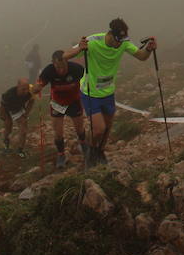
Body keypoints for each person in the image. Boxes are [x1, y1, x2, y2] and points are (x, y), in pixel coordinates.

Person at [63, 18, 156, 167]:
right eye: (118, 40)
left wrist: (149, 49)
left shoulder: (123, 43)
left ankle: (100, 151)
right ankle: (90, 153)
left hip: (108, 92)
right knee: (98, 129)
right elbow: (64, 56)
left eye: (122, 40)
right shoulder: (92, 41)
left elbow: (141, 56)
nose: (120, 44)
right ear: (111, 35)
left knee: (107, 128)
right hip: (90, 92)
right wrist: (79, 48)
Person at [33, 50, 87, 169]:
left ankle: (83, 144)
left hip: (74, 101)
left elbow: (88, 79)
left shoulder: (76, 68)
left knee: (79, 128)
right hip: (57, 103)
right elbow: (40, 83)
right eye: (58, 66)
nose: (61, 69)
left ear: (67, 61)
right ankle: (61, 154)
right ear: (53, 63)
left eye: (63, 65)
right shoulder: (49, 70)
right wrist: (37, 87)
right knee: (58, 132)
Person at [0, 78, 34, 158]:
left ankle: (20, 150)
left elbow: (32, 101)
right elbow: (2, 105)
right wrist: (3, 115)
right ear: (18, 86)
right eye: (23, 89)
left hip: (18, 108)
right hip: (7, 109)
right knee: (8, 127)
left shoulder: (29, 91)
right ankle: (6, 144)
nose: (25, 91)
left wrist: (26, 114)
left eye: (27, 89)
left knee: (23, 129)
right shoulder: (9, 94)